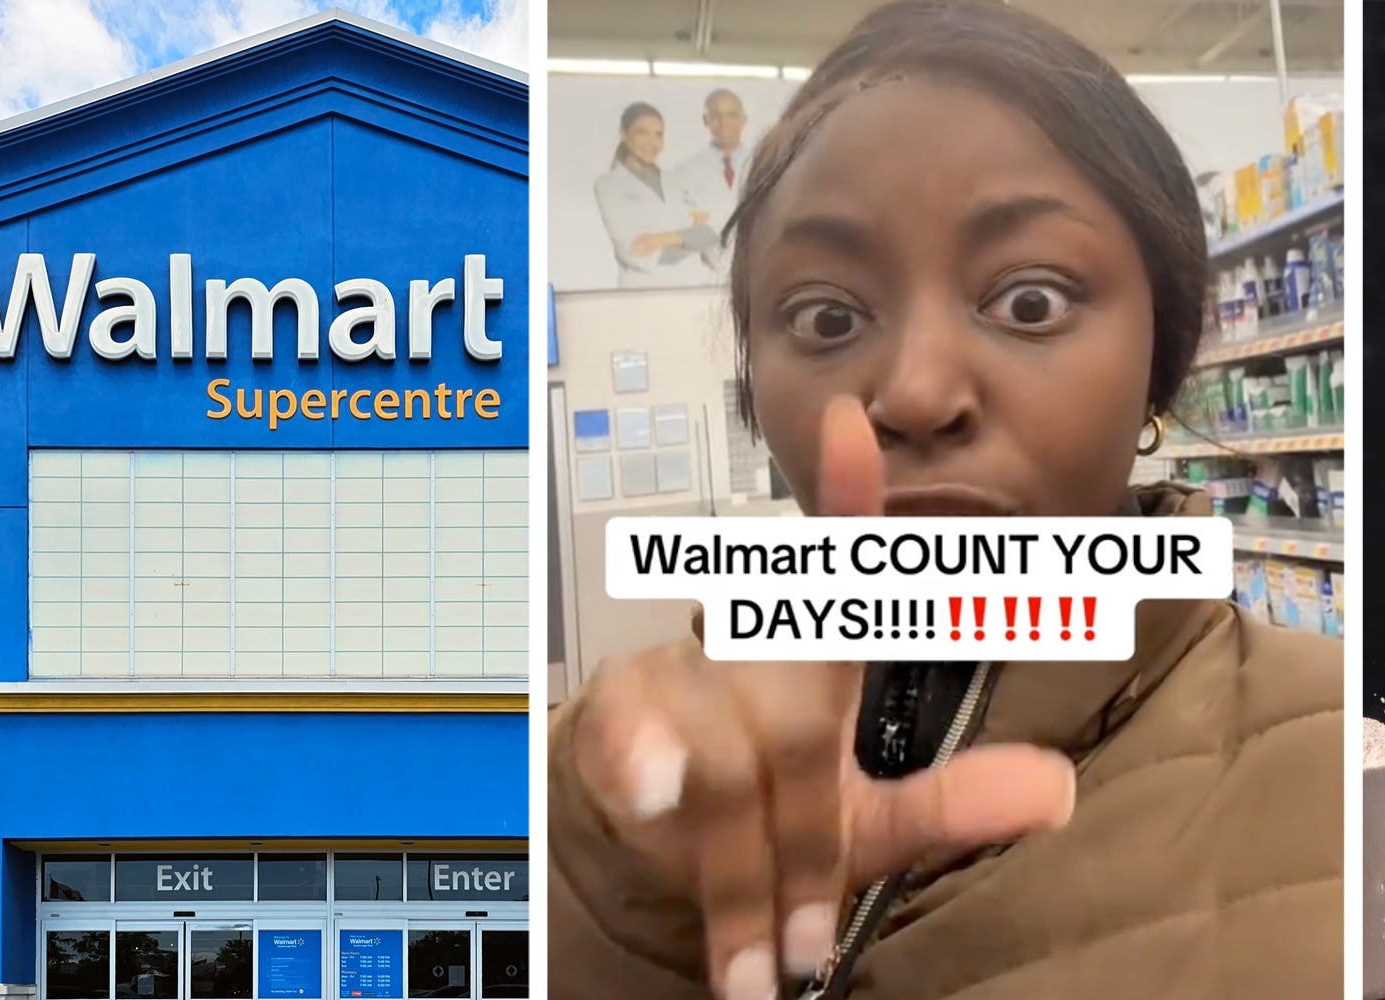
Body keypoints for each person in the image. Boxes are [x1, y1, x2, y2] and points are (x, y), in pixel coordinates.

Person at [548, 2, 1342, 999]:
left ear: (1157, 364)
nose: (916, 393)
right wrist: (621, 886)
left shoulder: (1331, 765)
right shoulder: (583, 791)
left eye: (1029, 302)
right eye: (828, 315)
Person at [596, 101, 719, 288]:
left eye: (658, 134)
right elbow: (633, 252)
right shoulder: (609, 185)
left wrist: (660, 239)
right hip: (643, 290)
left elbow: (711, 235)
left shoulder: (678, 181)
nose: (652, 142)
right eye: (642, 132)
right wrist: (692, 238)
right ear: (623, 134)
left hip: (692, 287)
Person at [672, 88, 751, 245]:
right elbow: (679, 226)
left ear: (744, 119)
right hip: (703, 263)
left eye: (731, 115)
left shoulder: (763, 166)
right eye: (716, 116)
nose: (724, 123)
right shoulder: (683, 173)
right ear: (705, 120)